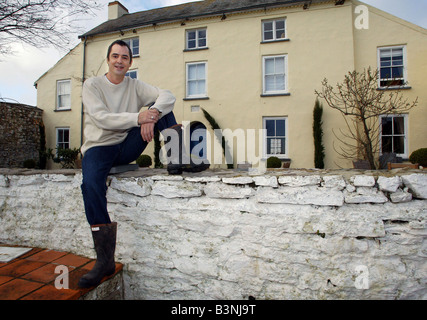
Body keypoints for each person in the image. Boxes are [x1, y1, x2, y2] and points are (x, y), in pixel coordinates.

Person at [78, 40, 208, 288]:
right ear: (108, 59)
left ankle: (178, 158)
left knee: (161, 106)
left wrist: (152, 114)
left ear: (130, 62)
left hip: (126, 145)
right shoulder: (92, 85)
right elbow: (101, 118)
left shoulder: (134, 85)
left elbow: (167, 95)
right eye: (115, 56)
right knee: (91, 184)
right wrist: (139, 117)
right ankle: (104, 260)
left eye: (124, 57)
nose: (119, 61)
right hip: (99, 147)